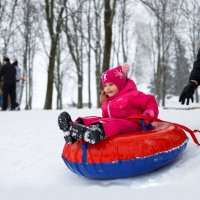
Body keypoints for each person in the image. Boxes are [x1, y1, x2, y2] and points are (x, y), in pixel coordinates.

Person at [58, 64, 159, 144]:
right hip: (115, 123)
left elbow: (150, 101)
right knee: (97, 119)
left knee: (114, 123)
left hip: (132, 124)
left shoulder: (132, 95)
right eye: (105, 85)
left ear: (120, 83)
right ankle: (74, 128)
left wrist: (147, 116)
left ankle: (95, 133)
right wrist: (97, 121)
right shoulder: (107, 101)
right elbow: (105, 117)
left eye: (111, 84)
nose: (107, 88)